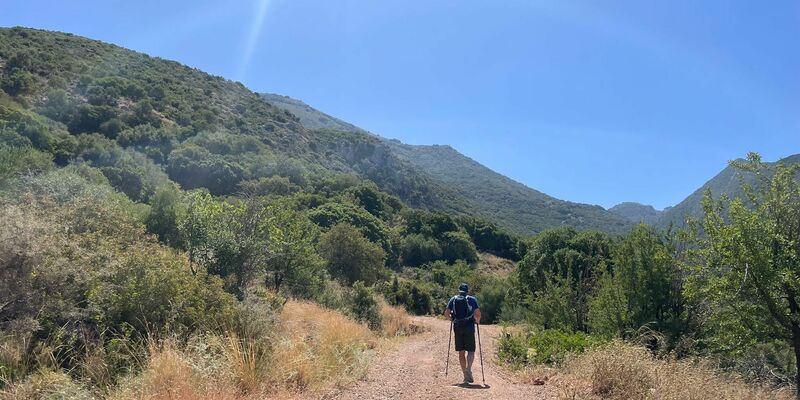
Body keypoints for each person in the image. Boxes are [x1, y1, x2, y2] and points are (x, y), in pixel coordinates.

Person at [444, 282, 481, 384]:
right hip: (469, 328)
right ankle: (469, 368)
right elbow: (477, 313)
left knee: (461, 352)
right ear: (467, 291)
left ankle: (465, 375)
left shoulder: (453, 299)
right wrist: (477, 321)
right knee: (471, 351)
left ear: (459, 290)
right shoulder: (472, 299)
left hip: (458, 328)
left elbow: (446, 313)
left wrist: (452, 319)